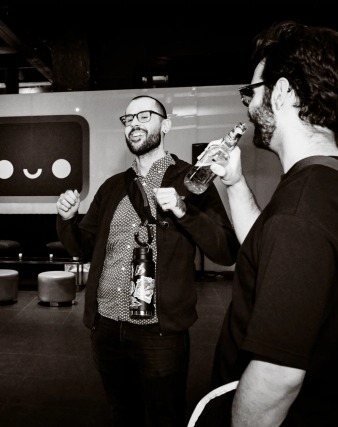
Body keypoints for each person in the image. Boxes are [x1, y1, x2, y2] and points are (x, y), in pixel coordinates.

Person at [194, 22, 338, 427]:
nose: (248, 105)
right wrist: (236, 182)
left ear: (279, 93)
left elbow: (277, 377)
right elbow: (268, 248)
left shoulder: (302, 208)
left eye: (252, 92)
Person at [56, 95, 240, 426]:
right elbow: (83, 247)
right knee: (122, 413)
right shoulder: (113, 187)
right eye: (128, 119)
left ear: (165, 125)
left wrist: (184, 211)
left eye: (144, 115)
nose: (134, 124)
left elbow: (226, 250)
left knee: (164, 417)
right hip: (108, 326)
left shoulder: (191, 181)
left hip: (159, 332)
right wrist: (67, 219)